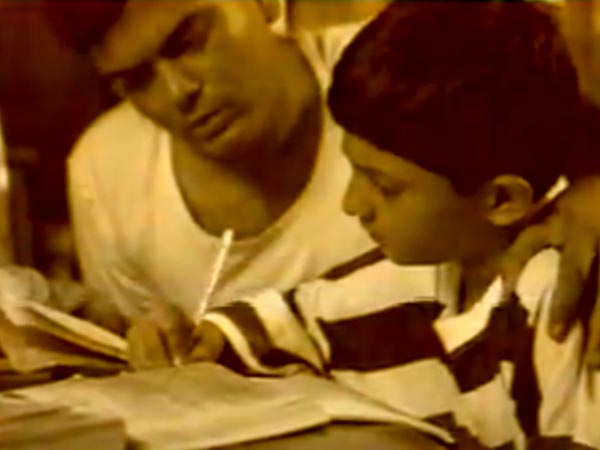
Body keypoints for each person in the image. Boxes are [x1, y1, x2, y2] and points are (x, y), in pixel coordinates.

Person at [43, 0, 600, 368]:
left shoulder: (396, 78)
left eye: (189, 40)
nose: (178, 91)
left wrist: (592, 192)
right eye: (135, 80)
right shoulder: (102, 171)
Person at [177, 2, 599, 448]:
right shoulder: (415, 275)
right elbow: (293, 321)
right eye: (355, 172)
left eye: (385, 187)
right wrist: (204, 341)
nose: (352, 204)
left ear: (500, 200)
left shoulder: (555, 303)